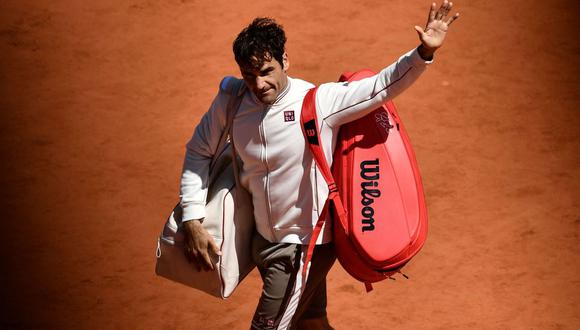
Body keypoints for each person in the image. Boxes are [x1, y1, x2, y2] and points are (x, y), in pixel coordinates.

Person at [179, 1, 459, 329]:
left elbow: (382, 86)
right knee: (312, 325)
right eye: (249, 75)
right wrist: (192, 219)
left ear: (284, 60)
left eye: (266, 72)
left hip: (304, 249)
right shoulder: (233, 99)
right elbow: (199, 151)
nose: (258, 85)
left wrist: (423, 52)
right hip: (262, 242)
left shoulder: (319, 102)